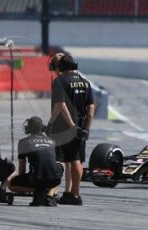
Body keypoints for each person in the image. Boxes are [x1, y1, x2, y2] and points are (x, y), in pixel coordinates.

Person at [47, 53, 94, 206]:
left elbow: (60, 105)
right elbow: (91, 108)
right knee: (77, 160)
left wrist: (54, 123)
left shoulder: (59, 81)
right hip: (81, 125)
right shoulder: (85, 82)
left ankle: (74, 195)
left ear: (61, 67)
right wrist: (86, 128)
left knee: (67, 159)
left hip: (65, 127)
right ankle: (72, 192)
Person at [5, 116, 63, 207]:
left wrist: (22, 179)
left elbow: (22, 168)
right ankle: (50, 193)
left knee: (10, 184)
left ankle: (40, 191)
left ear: (28, 128)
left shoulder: (24, 142)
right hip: (55, 179)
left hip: (37, 179)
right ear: (42, 127)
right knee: (57, 167)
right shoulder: (52, 141)